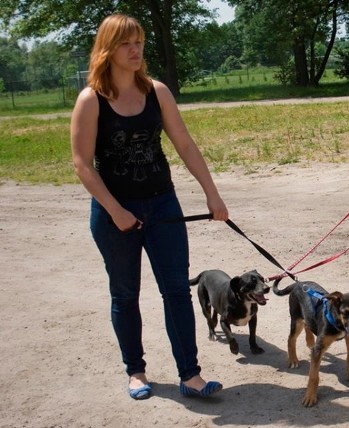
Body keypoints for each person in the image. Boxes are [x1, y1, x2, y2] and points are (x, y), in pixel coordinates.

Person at [70, 14, 229, 400]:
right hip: (115, 214)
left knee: (176, 290)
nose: (136, 49)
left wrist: (212, 193)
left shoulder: (157, 91)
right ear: (108, 49)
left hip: (163, 207)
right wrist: (115, 210)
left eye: (139, 41)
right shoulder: (91, 99)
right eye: (126, 43)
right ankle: (136, 372)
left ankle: (190, 375)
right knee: (125, 294)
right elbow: (81, 164)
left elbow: (185, 145)